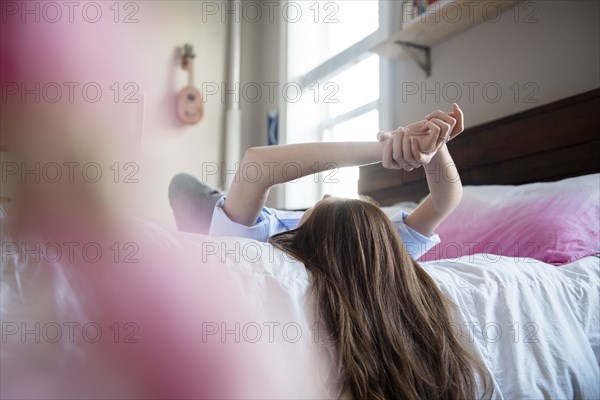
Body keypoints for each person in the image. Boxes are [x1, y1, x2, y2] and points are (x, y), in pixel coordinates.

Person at [170, 104, 492, 399]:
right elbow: (445, 199)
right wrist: (428, 146)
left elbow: (256, 164)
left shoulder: (264, 249)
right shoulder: (375, 254)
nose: (324, 192)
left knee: (183, 187)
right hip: (270, 210)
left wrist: (384, 150)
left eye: (325, 201)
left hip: (241, 218)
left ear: (318, 239)